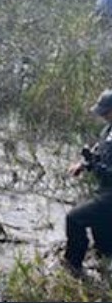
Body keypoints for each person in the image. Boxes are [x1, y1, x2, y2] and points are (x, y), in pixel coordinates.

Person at [63, 89, 112, 277]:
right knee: (103, 237)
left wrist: (96, 166)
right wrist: (83, 164)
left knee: (75, 218)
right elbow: (98, 151)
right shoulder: (108, 129)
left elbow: (103, 165)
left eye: (106, 111)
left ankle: (73, 266)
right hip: (104, 189)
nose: (102, 115)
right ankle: (105, 264)